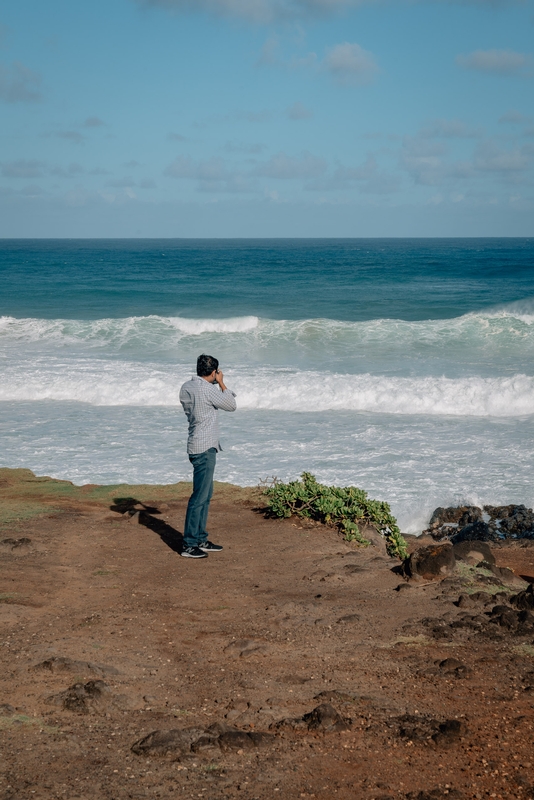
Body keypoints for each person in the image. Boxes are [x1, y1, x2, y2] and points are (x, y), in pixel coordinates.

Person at [179, 354, 237, 558]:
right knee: (199, 497)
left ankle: (200, 538)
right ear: (213, 372)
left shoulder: (187, 386)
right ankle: (189, 543)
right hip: (205, 448)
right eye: (216, 373)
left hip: (195, 443)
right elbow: (231, 404)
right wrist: (221, 383)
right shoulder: (209, 389)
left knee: (205, 495)